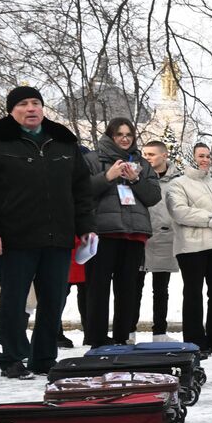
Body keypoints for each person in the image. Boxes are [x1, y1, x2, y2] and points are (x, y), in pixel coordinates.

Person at [0, 86, 96, 379]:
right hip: (14, 237)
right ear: (12, 110)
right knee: (13, 298)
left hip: (57, 237)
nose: (31, 108)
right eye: (23, 103)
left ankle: (44, 357)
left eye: (36, 102)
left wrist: (86, 228)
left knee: (54, 299)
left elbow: (81, 189)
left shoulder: (63, 140)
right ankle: (11, 356)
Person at [82, 118, 161, 347]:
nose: (125, 139)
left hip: (134, 233)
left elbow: (153, 196)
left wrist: (135, 179)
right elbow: (81, 191)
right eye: (119, 134)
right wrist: (108, 176)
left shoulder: (142, 164)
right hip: (104, 232)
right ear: (110, 136)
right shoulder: (93, 160)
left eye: (129, 134)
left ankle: (122, 336)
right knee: (98, 287)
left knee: (128, 289)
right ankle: (96, 337)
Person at [166, 143, 212, 354]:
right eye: (200, 156)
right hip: (191, 247)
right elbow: (180, 212)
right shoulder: (177, 184)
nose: (205, 160)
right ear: (191, 157)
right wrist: (211, 219)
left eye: (208, 156)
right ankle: (194, 340)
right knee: (193, 294)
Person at [139, 140, 182, 341]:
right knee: (133, 287)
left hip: (164, 237)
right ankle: (128, 331)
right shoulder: (136, 175)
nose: (147, 158)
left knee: (161, 289)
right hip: (139, 236)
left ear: (164, 156)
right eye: (144, 154)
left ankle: (159, 332)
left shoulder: (177, 181)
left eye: (152, 154)